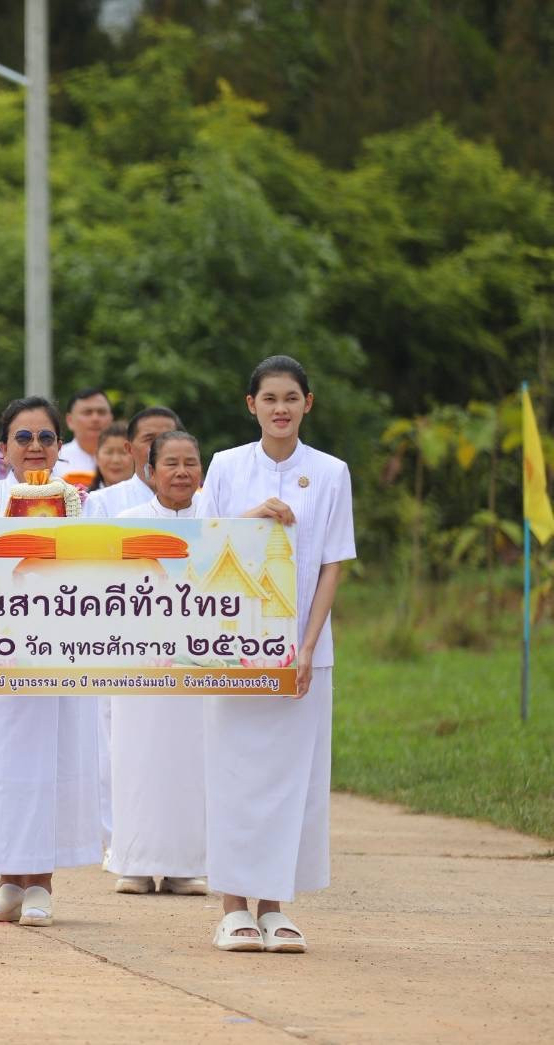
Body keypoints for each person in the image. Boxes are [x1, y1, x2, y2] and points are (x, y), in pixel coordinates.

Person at [200, 355, 355, 953]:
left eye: (291, 397)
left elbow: (332, 562)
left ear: (308, 404)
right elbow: (205, 548)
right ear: (252, 405)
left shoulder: (332, 472)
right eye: (269, 398)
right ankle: (233, 907)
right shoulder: (227, 467)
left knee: (293, 779)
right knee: (234, 772)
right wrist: (252, 517)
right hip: (233, 650)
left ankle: (275, 906)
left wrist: (308, 646)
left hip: (300, 650)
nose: (281, 408)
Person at [0, 397, 102, 928]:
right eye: (23, 437)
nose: (35, 446)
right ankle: (8, 882)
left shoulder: (84, 504)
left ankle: (41, 884)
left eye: (45, 437)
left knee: (53, 763)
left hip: (62, 650)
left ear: (60, 446)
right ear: (2, 448)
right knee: (0, 767)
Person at [109, 431, 209, 898]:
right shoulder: (126, 523)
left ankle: (185, 865)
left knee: (191, 758)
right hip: (138, 663)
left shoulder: (218, 523)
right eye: (171, 463)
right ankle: (134, 862)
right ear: (150, 472)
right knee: (136, 756)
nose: (182, 472)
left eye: (190, 462)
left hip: (197, 662)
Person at [54, 388, 114, 486]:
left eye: (101, 412)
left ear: (111, 418)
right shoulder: (55, 460)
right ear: (70, 420)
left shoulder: (128, 459)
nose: (95, 418)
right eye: (87, 412)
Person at [88, 421, 134, 492]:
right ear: (97, 456)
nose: (115, 460)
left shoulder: (151, 498)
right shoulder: (83, 500)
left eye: (123, 453)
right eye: (108, 452)